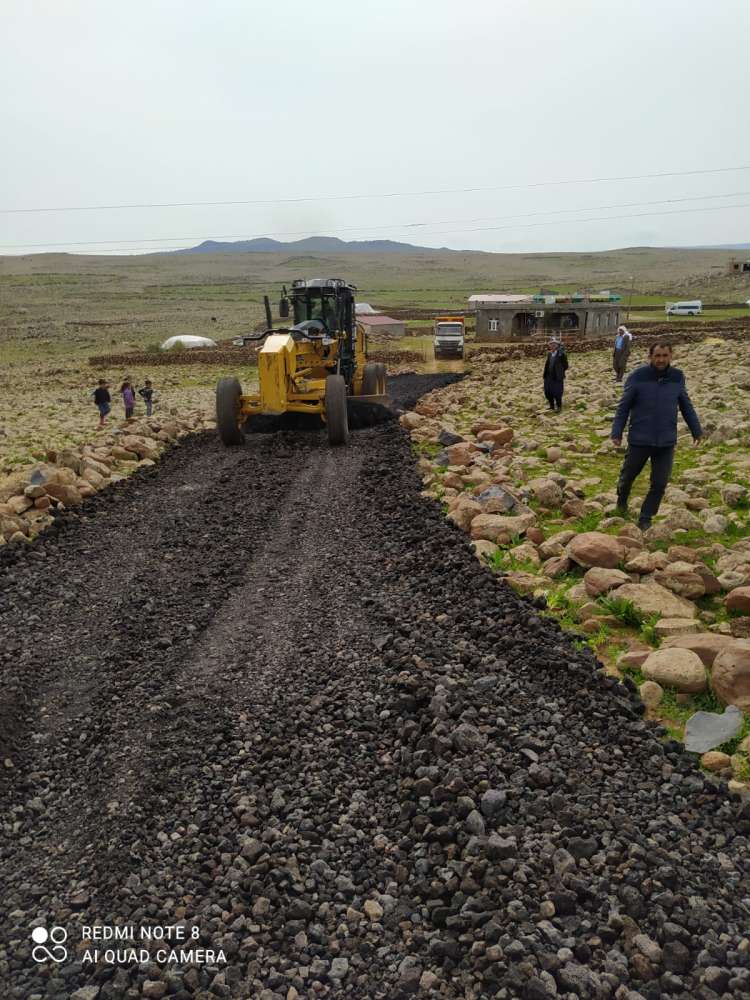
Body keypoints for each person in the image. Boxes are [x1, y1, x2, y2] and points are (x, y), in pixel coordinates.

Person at [611, 341, 702, 530]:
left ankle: (645, 517)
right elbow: (624, 407)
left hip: (666, 440)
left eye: (664, 356)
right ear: (650, 357)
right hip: (640, 438)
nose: (661, 360)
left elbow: (685, 404)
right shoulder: (637, 376)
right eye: (657, 356)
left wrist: (696, 430)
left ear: (671, 356)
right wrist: (616, 432)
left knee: (659, 483)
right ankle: (622, 500)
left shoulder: (677, 377)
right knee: (628, 476)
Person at [543, 337, 569, 411]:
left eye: (554, 344)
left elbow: (566, 365)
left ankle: (559, 406)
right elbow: (547, 364)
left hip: (557, 377)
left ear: (557, 345)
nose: (552, 345)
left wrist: (560, 372)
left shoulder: (561, 354)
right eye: (551, 344)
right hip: (548, 376)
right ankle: (551, 406)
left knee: (557, 392)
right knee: (547, 391)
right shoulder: (549, 354)